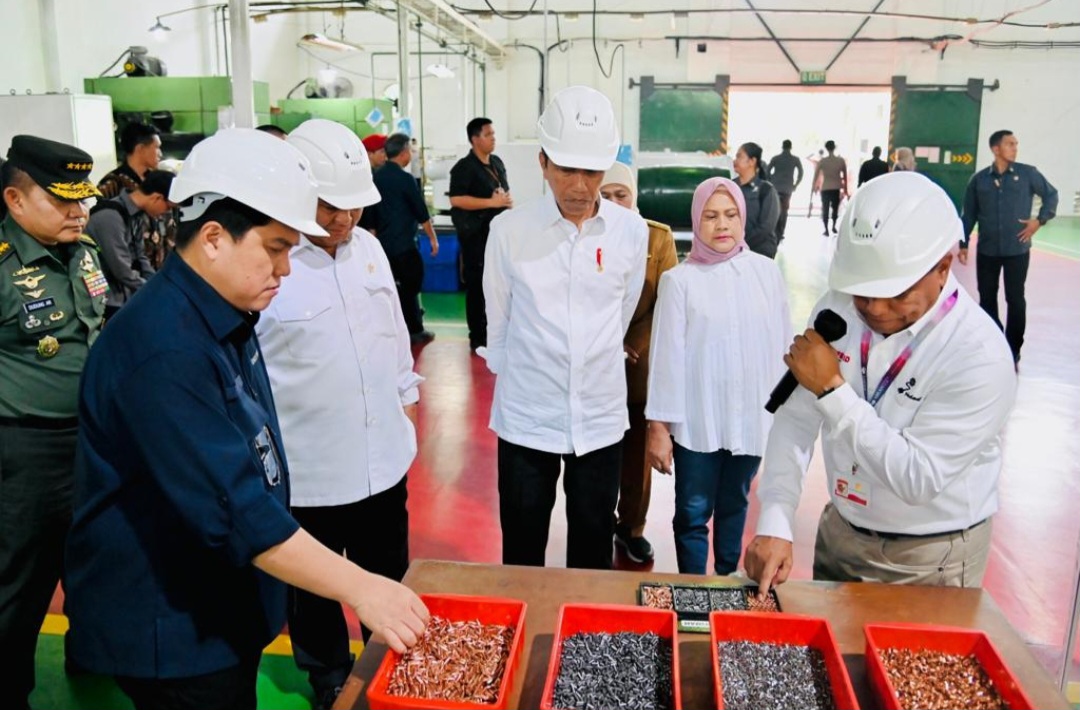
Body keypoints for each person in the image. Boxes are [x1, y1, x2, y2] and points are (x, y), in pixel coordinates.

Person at [64, 129, 429, 710]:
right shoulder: (165, 350)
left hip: (220, 600)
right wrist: (363, 588)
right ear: (213, 237)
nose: (286, 269)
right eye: (276, 248)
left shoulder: (224, 314)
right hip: (174, 628)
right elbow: (235, 511)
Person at [745, 172, 1017, 598]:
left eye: (895, 293)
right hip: (841, 532)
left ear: (943, 268)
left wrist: (832, 391)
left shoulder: (978, 355)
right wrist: (776, 520)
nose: (873, 307)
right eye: (861, 291)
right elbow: (796, 420)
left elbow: (917, 478)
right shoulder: (838, 308)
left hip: (929, 557)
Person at [255, 119, 422, 710]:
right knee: (314, 586)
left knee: (389, 571)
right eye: (331, 206)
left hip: (382, 459)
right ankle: (327, 673)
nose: (345, 219)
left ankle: (392, 660)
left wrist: (406, 402)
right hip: (311, 468)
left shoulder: (369, 250)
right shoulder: (270, 260)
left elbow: (394, 334)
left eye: (354, 206)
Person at [483, 86, 647, 570]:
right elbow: (499, 323)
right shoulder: (509, 233)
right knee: (522, 545)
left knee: (594, 550)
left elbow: (622, 311)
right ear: (543, 162)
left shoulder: (630, 232)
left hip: (599, 417)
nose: (580, 185)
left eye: (592, 172)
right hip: (527, 419)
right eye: (566, 170)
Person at [0, 135, 107, 710]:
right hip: (25, 451)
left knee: (91, 559)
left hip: (90, 440)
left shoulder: (83, 251)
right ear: (15, 200)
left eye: (81, 198)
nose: (78, 210)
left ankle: (90, 655)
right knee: (20, 579)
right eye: (62, 200)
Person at [645, 177, 790, 575]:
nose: (722, 225)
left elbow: (783, 345)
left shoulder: (766, 273)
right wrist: (659, 427)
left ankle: (726, 578)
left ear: (742, 218)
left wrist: (785, 416)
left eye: (730, 215)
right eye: (710, 216)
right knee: (692, 511)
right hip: (698, 420)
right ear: (697, 220)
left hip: (751, 416)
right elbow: (666, 358)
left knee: (735, 502)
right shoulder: (680, 281)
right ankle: (694, 589)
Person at [599, 161, 678, 564]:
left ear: (634, 197)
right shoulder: (584, 234)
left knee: (635, 455)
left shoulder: (657, 238)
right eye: (606, 195)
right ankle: (597, 523)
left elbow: (668, 301)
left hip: (637, 364)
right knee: (596, 455)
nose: (614, 203)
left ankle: (631, 528)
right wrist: (605, 341)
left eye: (621, 195)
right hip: (594, 365)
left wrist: (632, 342)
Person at [960, 130, 1057, 367]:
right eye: (1010, 144)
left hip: (1017, 250)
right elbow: (969, 214)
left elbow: (1051, 195)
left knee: (1015, 298)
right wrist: (963, 243)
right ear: (996, 149)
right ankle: (994, 342)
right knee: (987, 297)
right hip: (987, 250)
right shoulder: (979, 180)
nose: (1015, 148)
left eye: (1016, 144)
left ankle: (1013, 347)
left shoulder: (1028, 174)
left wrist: (1039, 221)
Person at [363, 133, 438, 345]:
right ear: (404, 153)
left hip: (383, 247)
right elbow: (421, 212)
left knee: (390, 288)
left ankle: (394, 328)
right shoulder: (405, 180)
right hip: (404, 245)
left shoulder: (375, 178)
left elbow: (370, 216)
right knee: (411, 286)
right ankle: (414, 329)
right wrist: (433, 239)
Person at [449, 117, 512, 351]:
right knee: (477, 285)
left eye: (493, 134)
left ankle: (496, 330)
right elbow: (456, 199)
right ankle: (478, 334)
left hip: (498, 233)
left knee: (499, 283)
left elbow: (503, 190)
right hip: (476, 236)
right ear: (475, 139)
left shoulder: (496, 163)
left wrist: (505, 203)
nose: (493, 138)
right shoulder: (464, 168)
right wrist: (491, 202)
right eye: (488, 134)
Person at [85, 169, 175, 319]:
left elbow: (140, 256)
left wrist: (157, 283)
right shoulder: (110, 216)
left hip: (123, 294)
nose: (165, 213)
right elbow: (121, 269)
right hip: (103, 299)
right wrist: (152, 290)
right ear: (157, 198)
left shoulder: (136, 215)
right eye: (168, 207)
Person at [733, 141, 780, 259]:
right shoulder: (730, 186)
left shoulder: (766, 190)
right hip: (734, 252)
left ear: (752, 161)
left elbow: (766, 227)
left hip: (760, 251)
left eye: (739, 156)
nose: (735, 160)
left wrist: (741, 244)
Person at [766, 139, 803, 241]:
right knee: (785, 210)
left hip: (776, 187)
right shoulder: (795, 159)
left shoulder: (776, 158)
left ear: (782, 147)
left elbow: (767, 171)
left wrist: (771, 181)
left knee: (775, 209)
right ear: (791, 147)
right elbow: (801, 173)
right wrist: (795, 184)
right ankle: (781, 232)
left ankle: (773, 230)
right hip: (787, 188)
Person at [813, 140, 848, 236]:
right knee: (835, 208)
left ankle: (826, 229)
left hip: (825, 188)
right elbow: (845, 177)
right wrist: (845, 190)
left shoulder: (823, 161)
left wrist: (814, 187)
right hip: (836, 188)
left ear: (826, 148)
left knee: (825, 209)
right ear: (834, 147)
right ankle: (833, 226)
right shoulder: (840, 161)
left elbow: (815, 176)